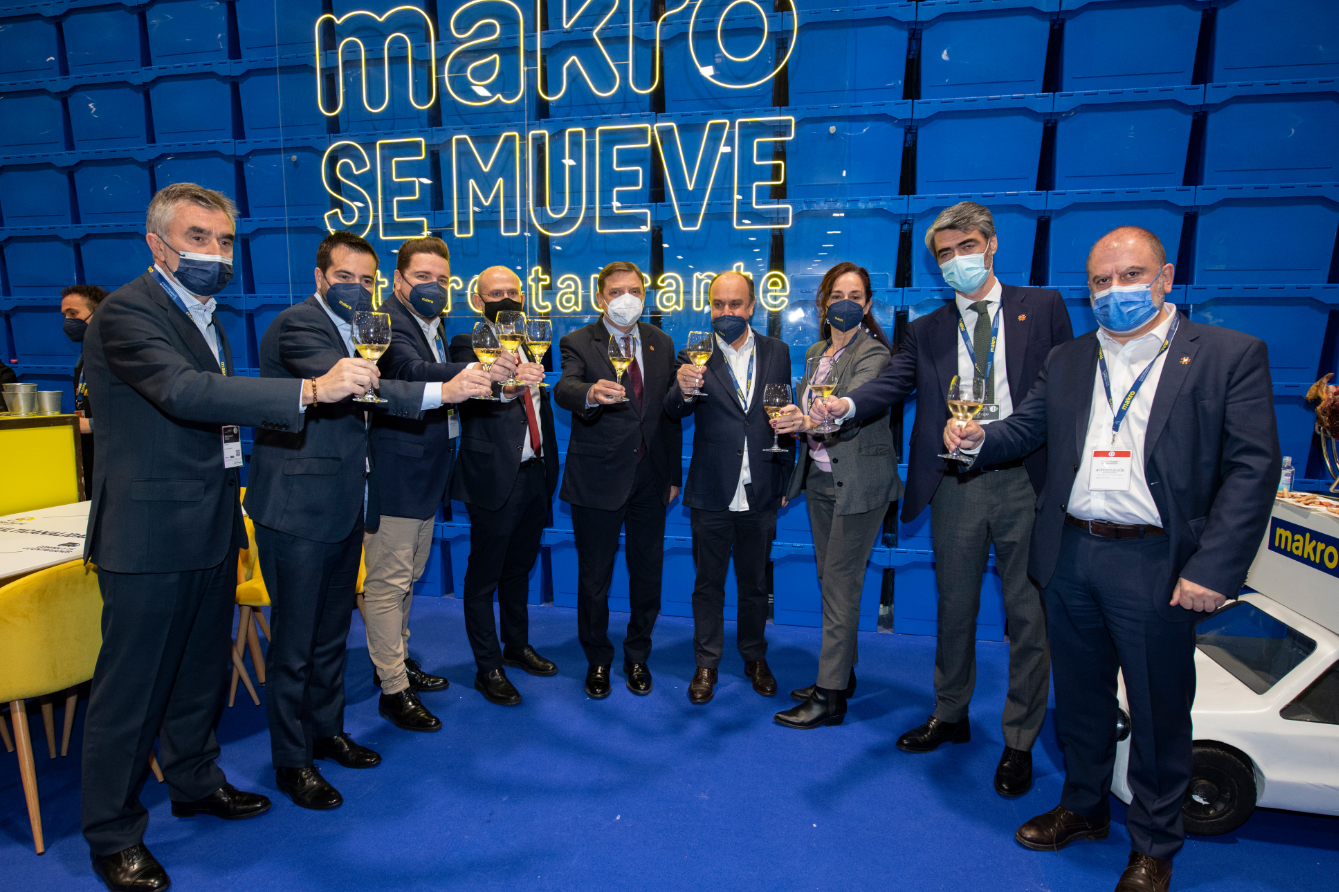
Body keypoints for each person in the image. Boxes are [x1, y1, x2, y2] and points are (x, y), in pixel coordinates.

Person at [945, 226, 1279, 892]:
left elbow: (1251, 468)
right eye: (1100, 281)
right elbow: (1027, 428)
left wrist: (1213, 568)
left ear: (1164, 276)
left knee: (1157, 708)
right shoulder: (1069, 359)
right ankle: (1084, 805)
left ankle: (1155, 840)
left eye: (1129, 276)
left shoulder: (1225, 355)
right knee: (1081, 697)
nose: (1114, 292)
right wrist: (978, 436)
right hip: (1069, 552)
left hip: (1156, 560)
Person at [79, 183, 375, 892]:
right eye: (198, 237)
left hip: (210, 526)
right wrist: (307, 391)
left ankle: (195, 781)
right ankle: (112, 833)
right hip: (147, 536)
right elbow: (183, 393)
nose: (215, 252)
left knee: (199, 674)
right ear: (158, 244)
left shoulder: (204, 314)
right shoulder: (127, 313)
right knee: (133, 691)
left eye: (223, 239)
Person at [812, 202, 1072, 796]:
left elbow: (1057, 392)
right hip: (956, 484)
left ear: (992, 244)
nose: (957, 261)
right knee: (954, 611)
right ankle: (950, 714)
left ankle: (1018, 740)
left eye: (966, 247)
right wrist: (846, 406)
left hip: (1025, 482)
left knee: (1028, 618)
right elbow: (890, 383)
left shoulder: (1044, 308)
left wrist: (1000, 436)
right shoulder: (926, 330)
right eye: (945, 254)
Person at [244, 231, 489, 811]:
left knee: (331, 636)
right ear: (320, 277)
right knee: (295, 645)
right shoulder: (299, 326)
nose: (357, 288)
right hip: (297, 510)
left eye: (366, 279)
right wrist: (444, 391)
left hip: (345, 504)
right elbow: (363, 389)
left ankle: (327, 733)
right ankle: (291, 761)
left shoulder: (358, 329)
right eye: (346, 277)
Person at [366, 237, 508, 731]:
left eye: (442, 280)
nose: (434, 288)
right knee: (388, 582)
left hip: (429, 469)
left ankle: (398, 662)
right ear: (399, 280)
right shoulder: (385, 321)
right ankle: (392, 690)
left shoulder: (433, 322)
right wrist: (478, 370)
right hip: (396, 471)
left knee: (409, 573)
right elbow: (408, 370)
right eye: (423, 278)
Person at [769, 263, 903, 728]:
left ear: (866, 306)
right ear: (824, 303)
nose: (846, 302)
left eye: (856, 295)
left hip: (860, 484)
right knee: (831, 582)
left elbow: (849, 404)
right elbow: (809, 409)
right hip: (822, 480)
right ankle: (841, 674)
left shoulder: (875, 353)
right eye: (837, 294)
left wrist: (810, 421)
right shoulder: (814, 351)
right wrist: (794, 416)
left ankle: (829, 697)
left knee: (841, 587)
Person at [555, 261, 682, 698]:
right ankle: (597, 658)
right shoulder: (577, 341)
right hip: (598, 478)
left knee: (648, 574)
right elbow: (565, 388)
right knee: (595, 578)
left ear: (644, 296)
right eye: (615, 291)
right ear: (599, 298)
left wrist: (672, 475)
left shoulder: (661, 341)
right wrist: (590, 393)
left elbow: (668, 413)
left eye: (633, 290)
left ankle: (637, 655)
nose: (624, 298)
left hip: (651, 478)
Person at [664, 270, 792, 704]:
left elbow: (785, 419)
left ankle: (754, 656)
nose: (726, 312)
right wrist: (681, 391)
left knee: (755, 582)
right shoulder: (694, 354)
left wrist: (786, 479)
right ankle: (707, 662)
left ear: (752, 306)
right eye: (718, 304)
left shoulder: (778, 352)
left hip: (761, 489)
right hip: (712, 489)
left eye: (735, 304)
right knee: (708, 583)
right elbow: (672, 409)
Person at [447, 266, 560, 706]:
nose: (506, 299)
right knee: (483, 577)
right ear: (478, 301)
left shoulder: (535, 342)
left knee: (519, 570)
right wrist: (504, 379)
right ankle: (487, 666)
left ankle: (516, 646)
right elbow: (479, 395)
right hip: (494, 478)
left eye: (513, 292)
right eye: (496, 293)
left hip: (535, 473)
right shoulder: (465, 343)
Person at [61, 284, 109, 498]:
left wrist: (92, 424)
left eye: (74, 313)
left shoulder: (116, 354)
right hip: (90, 453)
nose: (68, 322)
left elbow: (138, 409)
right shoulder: (84, 357)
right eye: (65, 315)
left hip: (113, 454)